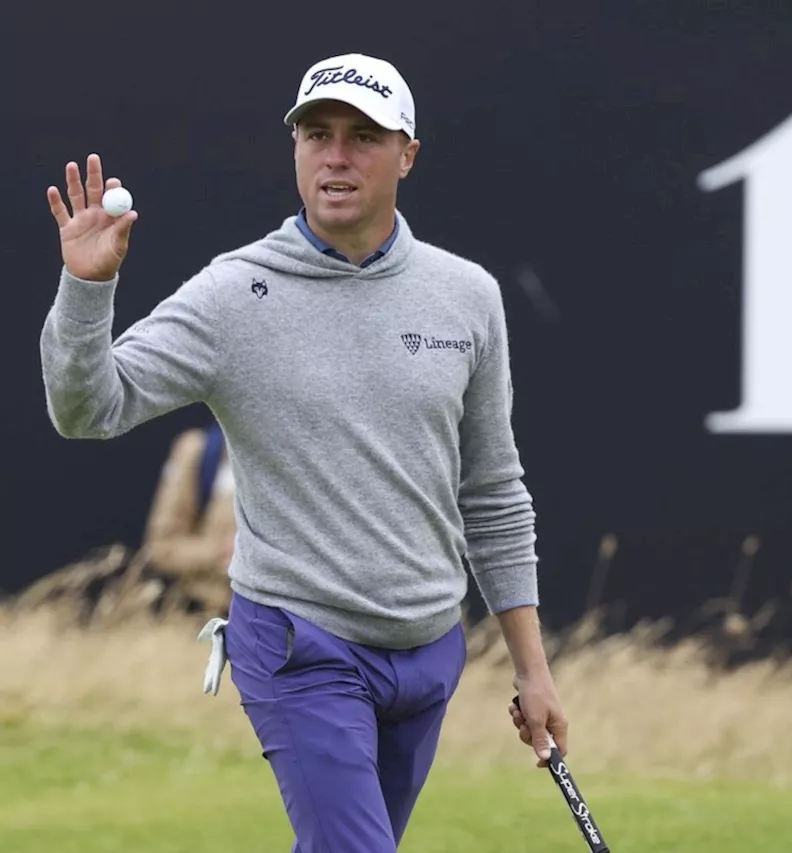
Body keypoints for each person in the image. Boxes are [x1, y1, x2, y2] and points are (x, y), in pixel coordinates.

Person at [39, 52, 568, 852]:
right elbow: (88, 408)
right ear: (294, 150)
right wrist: (86, 293)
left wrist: (533, 668)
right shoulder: (232, 295)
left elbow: (492, 490)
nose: (337, 155)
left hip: (428, 650)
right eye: (316, 134)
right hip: (300, 644)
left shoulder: (468, 295)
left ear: (407, 155)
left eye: (363, 136)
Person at [138, 419, 236, 615]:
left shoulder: (305, 453)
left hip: (288, 624)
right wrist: (220, 552)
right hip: (210, 615)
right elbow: (161, 547)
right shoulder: (200, 451)